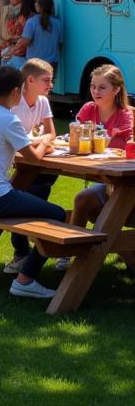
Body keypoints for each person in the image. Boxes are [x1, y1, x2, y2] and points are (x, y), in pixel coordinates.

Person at [0, 66, 62, 299]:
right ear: (17, 91)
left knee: (36, 192)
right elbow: (34, 159)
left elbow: (20, 143)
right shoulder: (9, 120)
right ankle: (25, 279)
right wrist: (46, 140)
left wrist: (39, 141)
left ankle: (22, 256)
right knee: (58, 215)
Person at [60, 65, 135, 270]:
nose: (95, 92)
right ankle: (70, 254)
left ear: (117, 89)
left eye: (102, 87)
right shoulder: (88, 109)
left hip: (125, 182)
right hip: (106, 179)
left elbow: (126, 146)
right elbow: (74, 136)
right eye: (93, 86)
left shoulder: (126, 114)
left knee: (104, 210)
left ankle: (125, 255)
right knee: (82, 199)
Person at [2, 58, 57, 274]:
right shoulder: (15, 102)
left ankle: (25, 251)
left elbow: (51, 132)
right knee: (33, 191)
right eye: (47, 80)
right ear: (30, 80)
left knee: (43, 184)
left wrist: (39, 140)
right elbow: (13, 140)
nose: (51, 85)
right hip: (17, 160)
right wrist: (40, 141)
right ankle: (23, 252)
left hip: (34, 156)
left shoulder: (42, 101)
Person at [9, 0, 64, 70]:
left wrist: (12, 50)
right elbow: (60, 43)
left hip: (35, 64)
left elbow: (26, 41)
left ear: (39, 7)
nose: (35, 5)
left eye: (36, 3)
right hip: (52, 63)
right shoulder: (58, 23)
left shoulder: (31, 22)